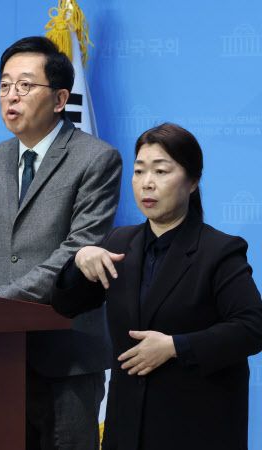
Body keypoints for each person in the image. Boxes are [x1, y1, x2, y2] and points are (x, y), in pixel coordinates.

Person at [0, 36, 122, 450]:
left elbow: (76, 250)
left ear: (60, 98)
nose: (11, 96)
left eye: (25, 85)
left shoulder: (96, 158)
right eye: (4, 85)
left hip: (66, 355)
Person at [52, 123, 262, 450]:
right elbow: (67, 305)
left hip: (196, 428)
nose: (147, 182)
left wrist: (175, 346)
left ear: (193, 181)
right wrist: (78, 262)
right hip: (126, 429)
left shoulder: (219, 251)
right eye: (139, 171)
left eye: (161, 171)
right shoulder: (118, 243)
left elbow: (252, 327)